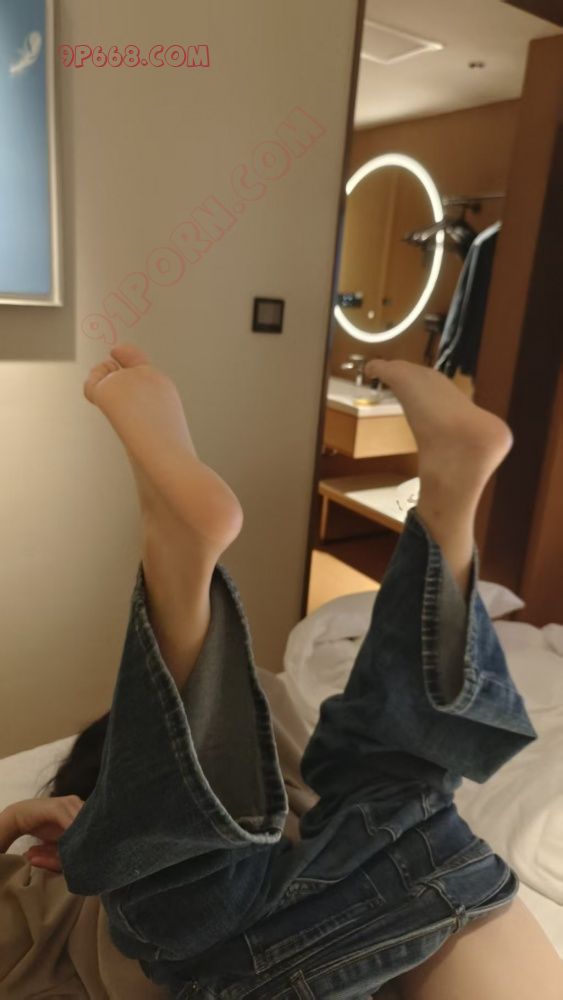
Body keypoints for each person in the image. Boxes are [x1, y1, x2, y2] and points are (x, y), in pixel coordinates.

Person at [1, 346, 562, 999]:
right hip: (418, 889)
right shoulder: (99, 884)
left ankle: (187, 551)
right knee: (381, 797)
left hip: (412, 883)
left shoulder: (52, 899)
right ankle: (443, 502)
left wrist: (19, 828)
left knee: (393, 794)